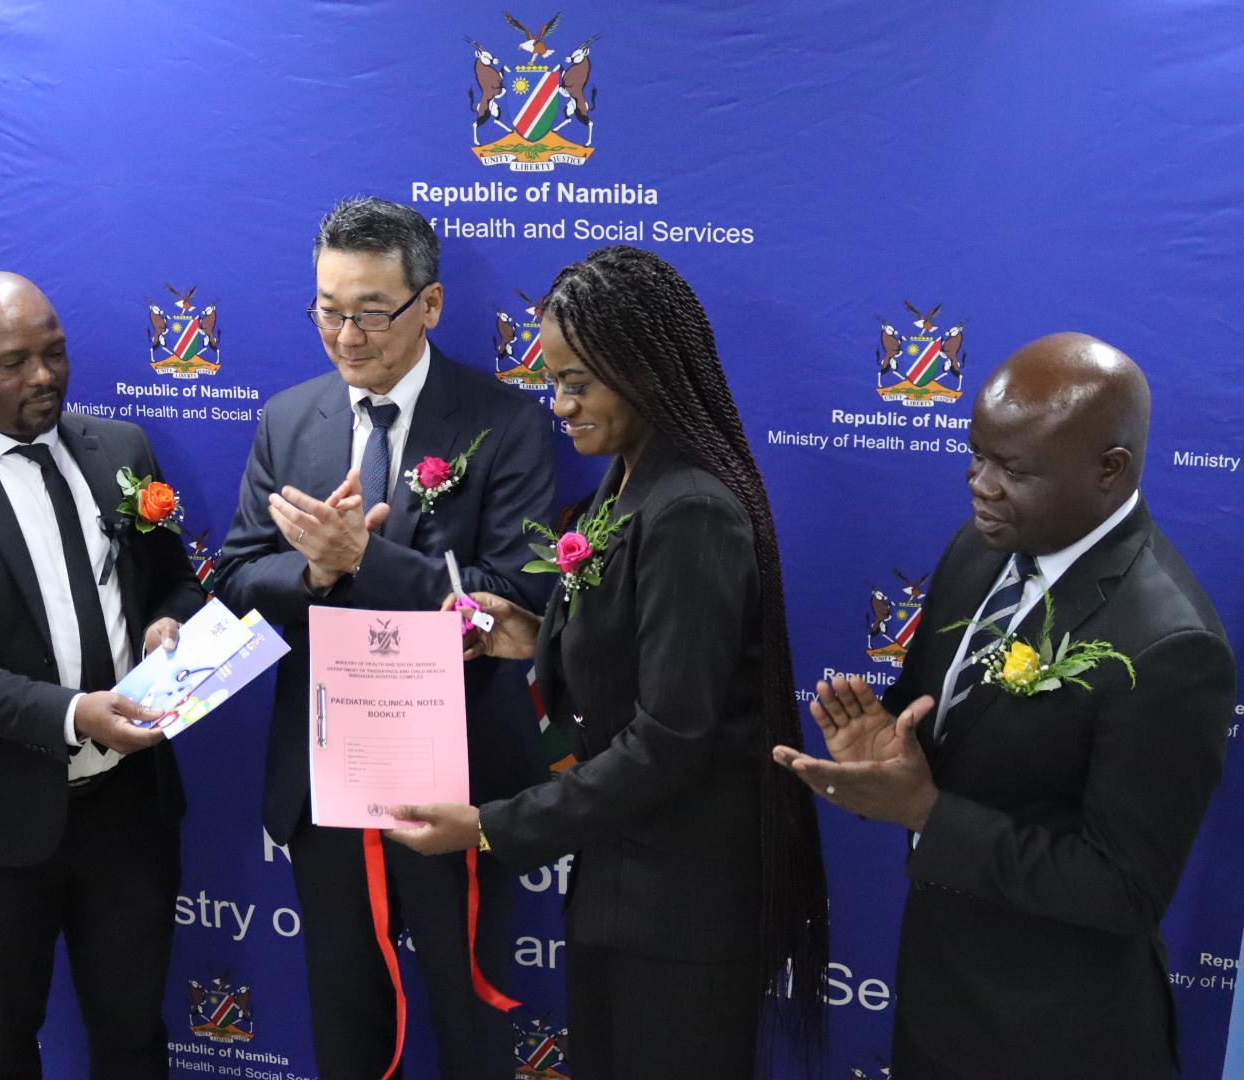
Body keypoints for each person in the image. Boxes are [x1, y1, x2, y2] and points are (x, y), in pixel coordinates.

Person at [389, 247, 829, 1078]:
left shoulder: (691, 508)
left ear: (645, 373)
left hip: (683, 910)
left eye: (578, 383)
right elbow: (633, 644)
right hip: (623, 885)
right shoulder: (628, 482)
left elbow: (670, 737)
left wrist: (488, 826)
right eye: (552, 381)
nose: (559, 405)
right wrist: (532, 634)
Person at [774, 333, 1233, 1079]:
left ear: (1110, 470)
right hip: (936, 1000)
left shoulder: (1171, 647)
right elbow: (939, 729)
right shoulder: (981, 546)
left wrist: (927, 812)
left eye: (1013, 470)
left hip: (1058, 1039)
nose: (981, 486)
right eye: (977, 456)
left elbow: (1123, 890)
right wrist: (887, 750)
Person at [213, 196, 556, 1078]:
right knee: (344, 1015)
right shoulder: (289, 419)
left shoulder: (506, 423)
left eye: (371, 312)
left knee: (469, 1014)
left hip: (459, 776)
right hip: (328, 774)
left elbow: (517, 602)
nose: (346, 336)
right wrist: (316, 576)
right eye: (328, 310)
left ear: (429, 304)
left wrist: (365, 557)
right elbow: (237, 579)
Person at [0, 271, 205, 1080]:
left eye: (54, 353)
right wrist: (73, 713)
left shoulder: (121, 449)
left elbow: (176, 582)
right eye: (14, 363)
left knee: (133, 1035)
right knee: (1, 1045)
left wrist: (169, 624)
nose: (44, 376)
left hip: (129, 807)